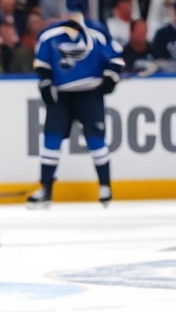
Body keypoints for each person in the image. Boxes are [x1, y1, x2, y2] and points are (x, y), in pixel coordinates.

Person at [26, 14, 124, 208]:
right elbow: (42, 64)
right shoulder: (50, 35)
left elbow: (116, 59)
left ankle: (105, 187)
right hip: (61, 96)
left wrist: (110, 76)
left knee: (96, 140)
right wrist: (45, 82)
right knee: (51, 140)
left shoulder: (96, 32)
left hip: (90, 94)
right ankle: (45, 189)